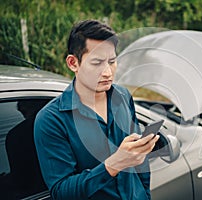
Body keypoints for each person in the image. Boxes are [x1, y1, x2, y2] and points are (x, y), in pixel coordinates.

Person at [34, 19, 159, 200]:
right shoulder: (51, 120)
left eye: (112, 61)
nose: (107, 72)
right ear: (73, 63)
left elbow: (140, 160)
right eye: (97, 63)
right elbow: (62, 192)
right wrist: (113, 165)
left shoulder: (123, 96)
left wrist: (145, 195)